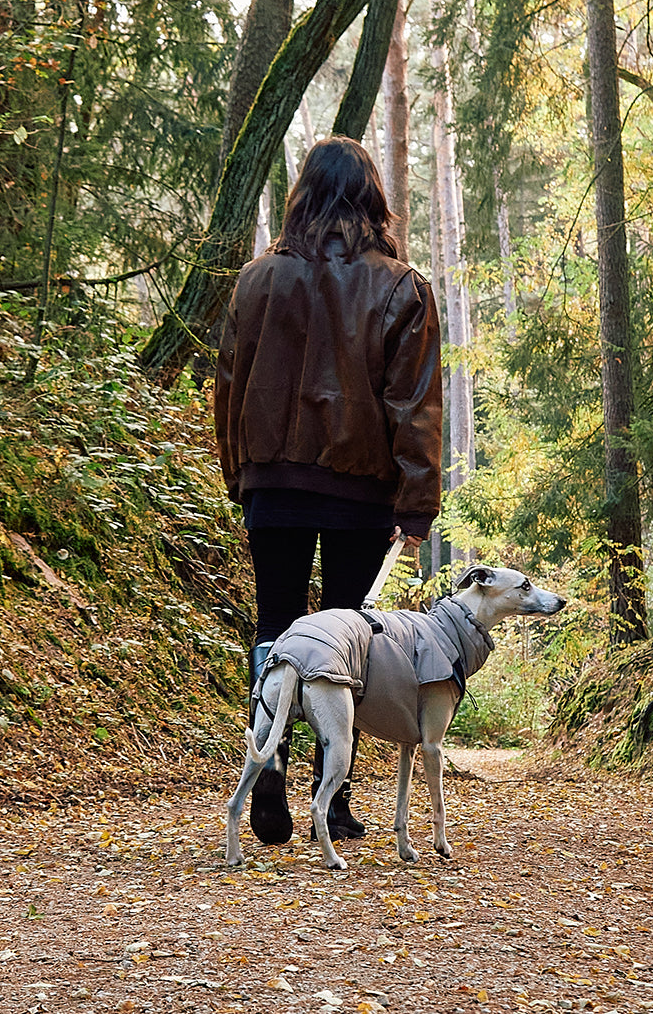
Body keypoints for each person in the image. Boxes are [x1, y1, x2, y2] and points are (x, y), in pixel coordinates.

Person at [215, 135, 443, 846]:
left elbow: (227, 388)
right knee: (347, 642)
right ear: (372, 198)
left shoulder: (256, 282)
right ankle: (332, 798)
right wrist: (417, 504)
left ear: (302, 196)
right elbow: (414, 405)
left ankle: (266, 766)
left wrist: (239, 474)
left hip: (273, 480)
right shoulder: (401, 287)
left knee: (275, 629)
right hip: (361, 491)